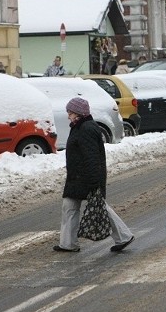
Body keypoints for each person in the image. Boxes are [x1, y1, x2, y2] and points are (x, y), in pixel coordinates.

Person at [53, 97, 135, 253]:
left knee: (99, 207)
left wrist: (93, 182)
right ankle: (68, 244)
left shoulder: (86, 129)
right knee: (69, 207)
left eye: (70, 112)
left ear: (78, 113)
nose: (68, 115)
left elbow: (92, 157)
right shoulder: (79, 127)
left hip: (86, 178)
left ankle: (124, 236)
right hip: (77, 177)